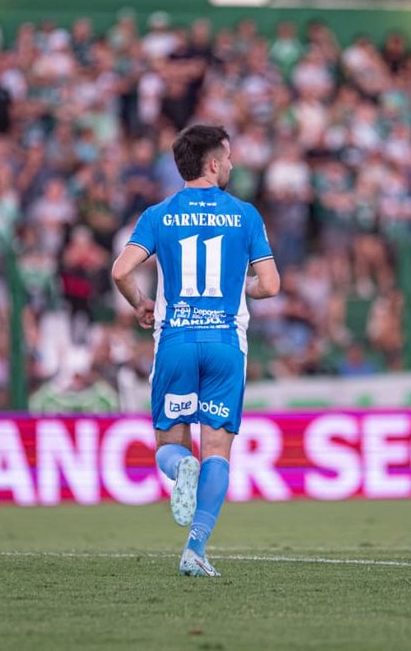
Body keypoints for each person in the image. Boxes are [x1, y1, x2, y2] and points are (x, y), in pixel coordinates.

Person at [111, 124, 280, 577]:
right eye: (227, 157)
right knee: (218, 452)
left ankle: (182, 466)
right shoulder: (244, 214)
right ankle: (195, 549)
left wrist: (141, 303)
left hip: (176, 341)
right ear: (212, 164)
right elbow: (270, 285)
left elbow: (121, 270)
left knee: (170, 445)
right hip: (225, 343)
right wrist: (235, 288)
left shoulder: (159, 213)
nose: (231, 164)